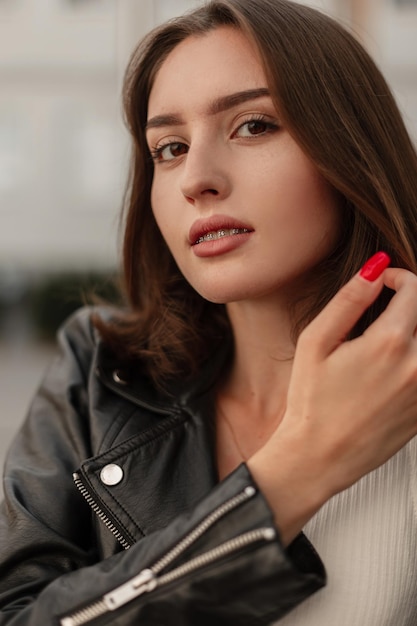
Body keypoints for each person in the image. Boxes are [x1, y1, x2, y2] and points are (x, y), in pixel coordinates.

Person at [2, 0, 417, 623]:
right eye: (168, 147)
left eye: (253, 126)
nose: (196, 178)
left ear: (349, 149)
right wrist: (295, 473)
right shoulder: (101, 372)